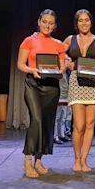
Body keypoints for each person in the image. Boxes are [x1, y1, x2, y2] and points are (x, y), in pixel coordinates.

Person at [17, 9, 66, 178]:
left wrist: (63, 68)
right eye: (44, 21)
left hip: (52, 87)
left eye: (51, 23)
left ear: (55, 26)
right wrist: (32, 69)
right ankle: (27, 161)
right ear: (39, 22)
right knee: (36, 120)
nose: (47, 25)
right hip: (34, 84)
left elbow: (61, 67)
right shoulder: (29, 41)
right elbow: (20, 64)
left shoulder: (59, 44)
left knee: (46, 123)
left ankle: (39, 160)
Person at [63, 9, 95, 172]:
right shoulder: (70, 39)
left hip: (93, 84)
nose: (84, 23)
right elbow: (58, 52)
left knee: (90, 124)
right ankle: (76, 159)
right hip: (76, 83)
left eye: (87, 20)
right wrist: (67, 60)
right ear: (76, 23)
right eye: (80, 20)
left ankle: (84, 160)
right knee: (79, 125)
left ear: (91, 22)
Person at [53, 71, 72, 144]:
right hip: (59, 96)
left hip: (66, 96)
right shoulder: (60, 72)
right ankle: (55, 136)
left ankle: (61, 134)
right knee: (57, 117)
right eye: (68, 61)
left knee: (63, 117)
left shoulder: (67, 73)